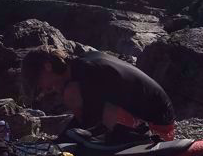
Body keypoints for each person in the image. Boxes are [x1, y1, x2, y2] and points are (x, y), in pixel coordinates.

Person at [20, 48, 177, 139]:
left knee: (71, 94)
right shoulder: (81, 64)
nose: (42, 88)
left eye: (38, 81)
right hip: (156, 116)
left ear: (47, 67)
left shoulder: (87, 73)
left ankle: (134, 145)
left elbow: (91, 121)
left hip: (158, 127)